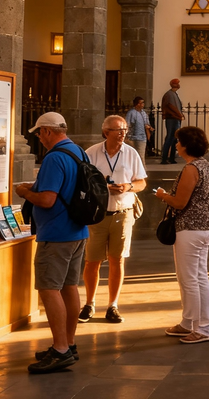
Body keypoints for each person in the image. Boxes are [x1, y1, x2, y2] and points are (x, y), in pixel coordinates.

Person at [14, 112, 89, 374]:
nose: (39, 138)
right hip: (78, 231)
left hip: (56, 233)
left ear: (47, 131)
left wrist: (24, 192)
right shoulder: (78, 151)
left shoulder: (54, 157)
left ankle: (59, 350)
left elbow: (47, 199)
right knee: (69, 286)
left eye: (38, 133)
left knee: (49, 289)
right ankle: (68, 343)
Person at [79, 114, 147, 325]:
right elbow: (82, 181)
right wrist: (102, 188)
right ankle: (89, 303)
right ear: (106, 132)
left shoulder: (131, 153)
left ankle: (113, 305)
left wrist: (128, 187)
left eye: (125, 130)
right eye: (118, 130)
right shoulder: (92, 153)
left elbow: (141, 182)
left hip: (122, 212)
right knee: (92, 261)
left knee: (118, 259)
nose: (123, 134)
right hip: (98, 214)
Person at [154, 126, 209, 343]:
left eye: (178, 140)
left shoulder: (191, 169)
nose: (175, 144)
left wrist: (163, 195)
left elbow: (180, 202)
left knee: (191, 279)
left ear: (186, 145)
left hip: (191, 228)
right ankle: (188, 322)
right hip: (203, 227)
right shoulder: (206, 166)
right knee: (195, 277)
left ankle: (203, 328)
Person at [161, 79, 184, 164]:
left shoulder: (173, 94)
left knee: (174, 139)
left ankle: (171, 158)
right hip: (172, 118)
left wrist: (180, 114)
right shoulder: (169, 94)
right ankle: (164, 158)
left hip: (176, 118)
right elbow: (170, 106)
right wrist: (179, 114)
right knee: (170, 137)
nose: (178, 85)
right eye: (177, 83)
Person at [125, 96, 152, 161]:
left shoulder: (143, 113)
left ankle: (142, 170)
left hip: (142, 138)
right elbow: (127, 124)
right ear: (137, 104)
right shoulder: (131, 113)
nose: (143, 104)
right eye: (141, 103)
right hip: (132, 138)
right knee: (132, 157)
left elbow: (147, 123)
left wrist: (149, 128)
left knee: (141, 157)